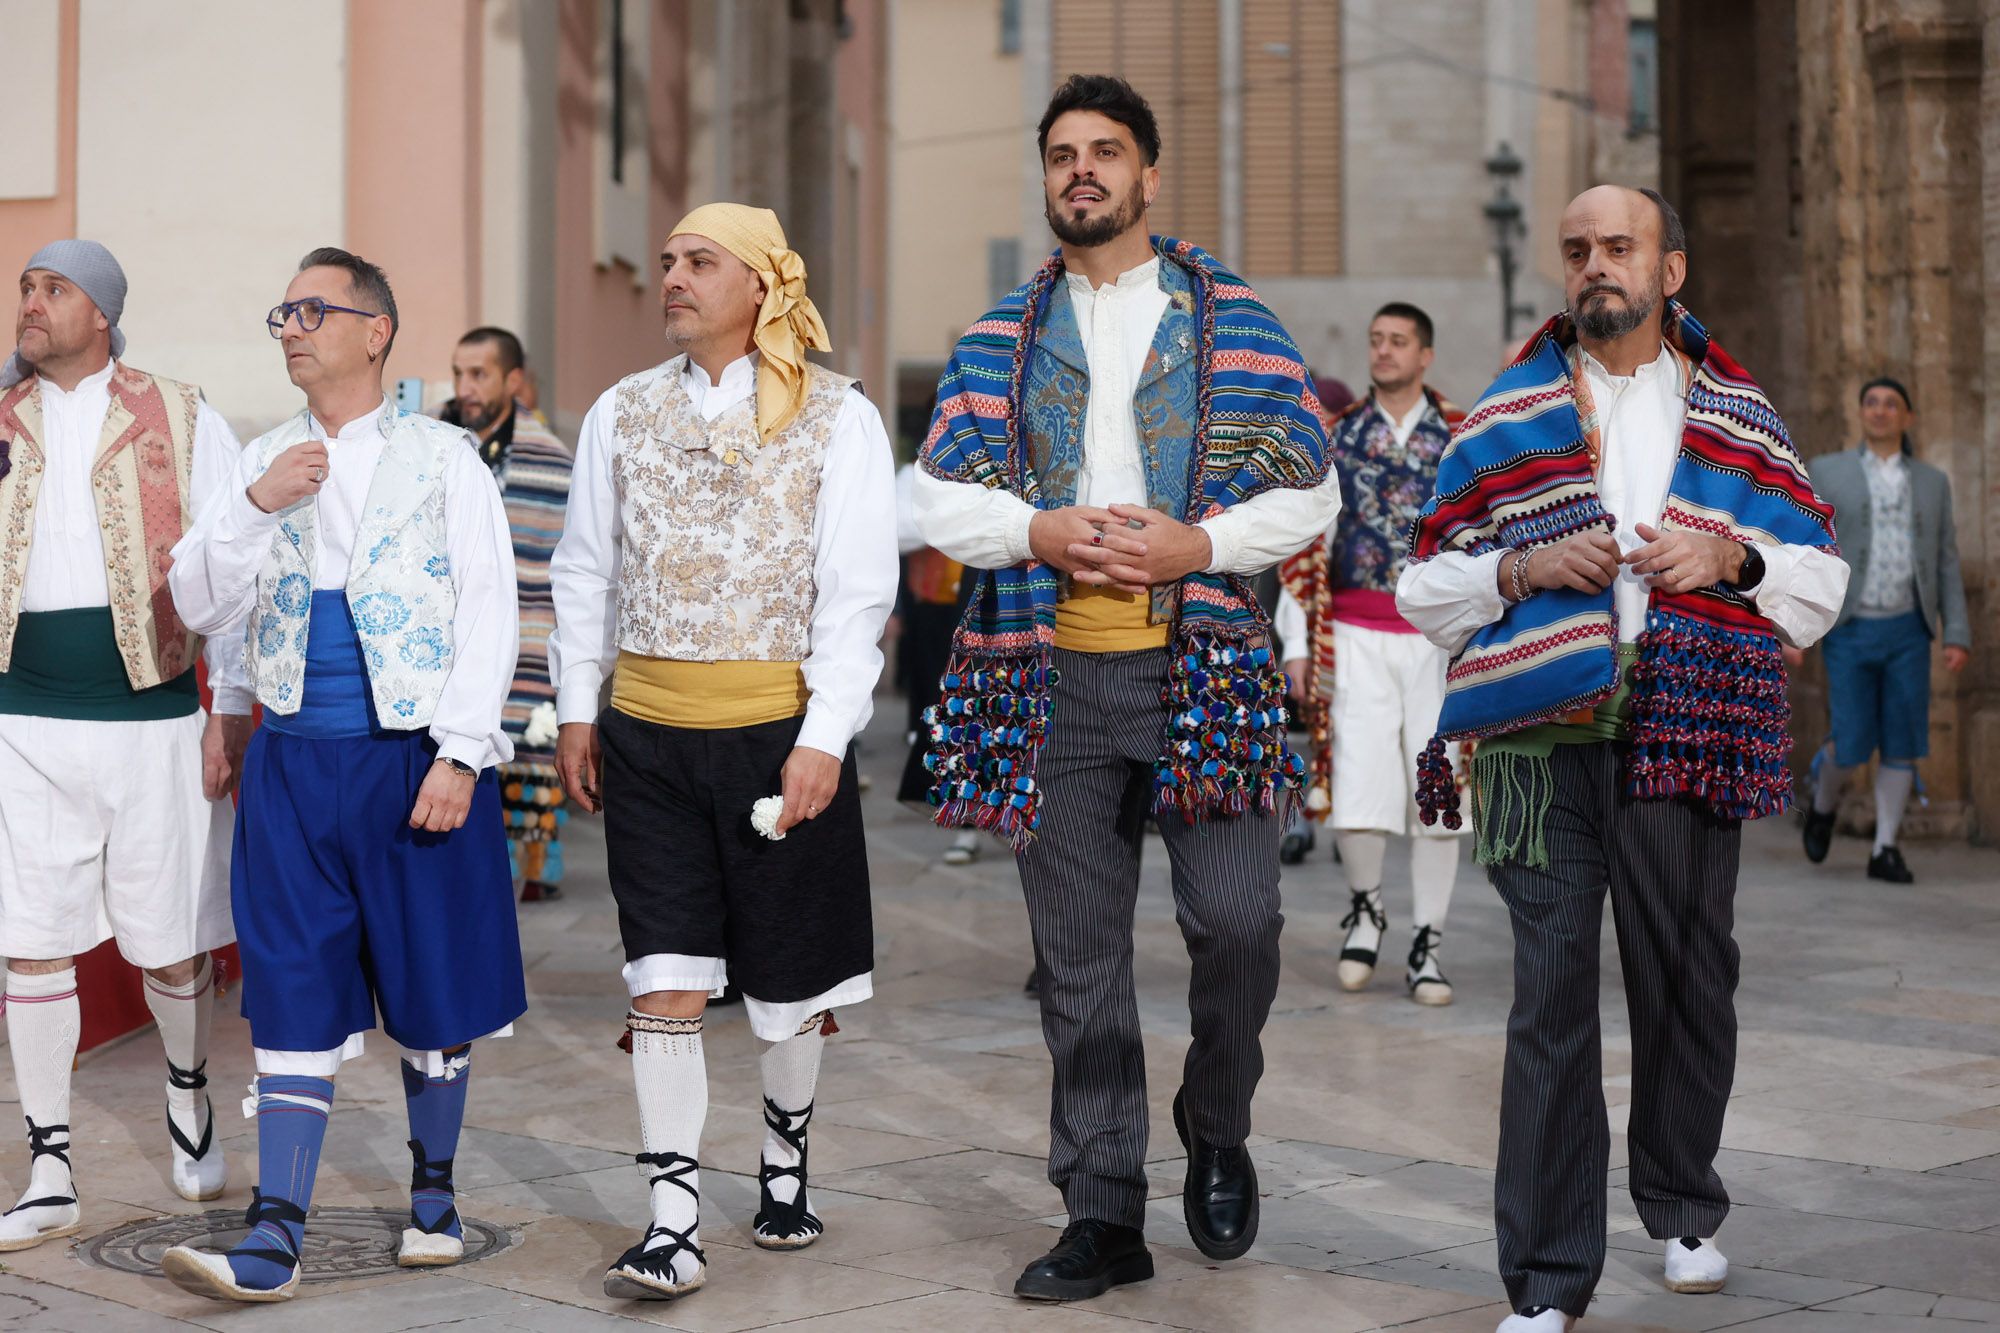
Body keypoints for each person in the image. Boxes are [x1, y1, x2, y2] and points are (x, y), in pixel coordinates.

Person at [914, 75, 1339, 1302]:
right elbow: (933, 495)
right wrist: (1038, 531)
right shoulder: (996, 338)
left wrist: (1193, 547)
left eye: (1106, 152)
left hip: (1200, 668)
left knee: (1239, 924)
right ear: (1045, 178)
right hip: (1047, 680)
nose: (1082, 171)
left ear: (1149, 175)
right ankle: (1101, 1207)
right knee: (1078, 960)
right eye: (1062, 154)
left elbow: (1306, 489)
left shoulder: (1235, 324)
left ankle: (1217, 1119)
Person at [1396, 186, 1848, 1331]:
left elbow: (1819, 578)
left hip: (1685, 724)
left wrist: (1729, 556)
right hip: (1542, 747)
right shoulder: (1502, 419)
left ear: (1670, 267)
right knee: (1546, 1003)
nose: (1596, 265)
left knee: (1687, 979)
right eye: (1578, 250)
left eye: (1619, 246)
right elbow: (1421, 581)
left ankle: (1682, 1203)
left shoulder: (1737, 413)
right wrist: (1518, 572)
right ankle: (1545, 1279)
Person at [161, 247, 526, 1301]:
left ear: (376, 330)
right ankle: (275, 1230)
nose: (291, 327)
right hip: (291, 759)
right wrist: (253, 505)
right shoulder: (260, 458)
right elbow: (202, 605)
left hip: (411, 754)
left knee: (432, 973)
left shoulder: (443, 456)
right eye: (283, 310)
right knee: (291, 981)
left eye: (314, 309)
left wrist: (460, 752)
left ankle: (434, 1189)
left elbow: (487, 610)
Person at [549, 203, 896, 1302]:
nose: (671, 278)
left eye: (699, 261)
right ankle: (672, 1219)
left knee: (788, 984)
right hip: (645, 732)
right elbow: (583, 570)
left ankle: (784, 1155)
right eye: (665, 261)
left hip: (775, 734)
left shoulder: (840, 416)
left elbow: (855, 592)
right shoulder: (620, 411)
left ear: (760, 285)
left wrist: (824, 735)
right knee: (663, 975)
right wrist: (573, 706)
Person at [0, 240, 250, 1249]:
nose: (29, 302)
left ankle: (188, 1096)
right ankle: (49, 1157)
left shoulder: (183, 413)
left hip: (152, 715)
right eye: (24, 286)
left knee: (172, 932)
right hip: (22, 717)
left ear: (99, 312)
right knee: (30, 928)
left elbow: (233, 559)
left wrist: (227, 705)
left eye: (51, 289)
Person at [1277, 302, 1469, 1006]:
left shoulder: (1463, 439)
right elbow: (1303, 540)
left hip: (1435, 640)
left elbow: (1485, 538)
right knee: (1357, 780)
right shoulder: (1335, 436)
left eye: (1398, 342)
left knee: (1438, 788)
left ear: (1426, 356)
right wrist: (1297, 642)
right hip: (1353, 632)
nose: (1383, 351)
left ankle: (1429, 941)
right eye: (1376, 340)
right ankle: (1365, 907)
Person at [1799, 377, 1971, 883]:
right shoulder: (1828, 471)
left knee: (1902, 739)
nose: (1879, 411)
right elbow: (1807, 548)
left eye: (1890, 404)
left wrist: (1955, 632)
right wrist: (1796, 631)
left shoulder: (1933, 482)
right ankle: (1824, 804)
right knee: (1850, 740)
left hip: (1909, 630)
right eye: (1871, 403)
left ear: (1907, 417)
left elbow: (1945, 560)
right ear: (1860, 413)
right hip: (1850, 628)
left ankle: (1885, 848)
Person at [443, 326, 576, 901]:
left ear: (513, 380)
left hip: (525, 634)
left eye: (480, 374)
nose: (466, 387)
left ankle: (533, 871)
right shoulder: (429, 439)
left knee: (526, 759)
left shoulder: (552, 462)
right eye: (458, 374)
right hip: (443, 639)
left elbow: (566, 566)